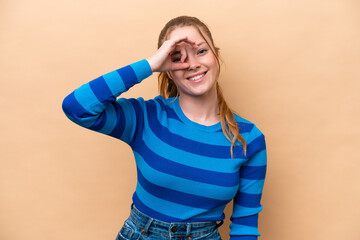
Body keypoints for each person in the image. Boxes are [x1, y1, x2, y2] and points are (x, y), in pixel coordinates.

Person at [62, 16, 267, 240]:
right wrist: (150, 65)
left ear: (216, 55)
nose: (192, 64)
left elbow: (245, 224)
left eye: (201, 51)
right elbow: (77, 107)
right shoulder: (147, 117)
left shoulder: (249, 138)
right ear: (168, 69)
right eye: (177, 57)